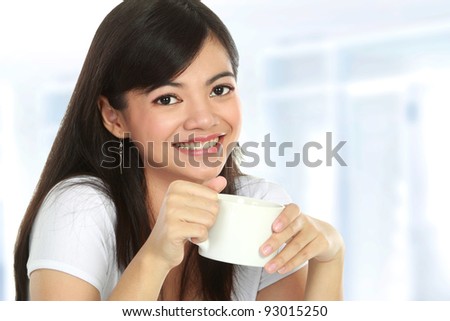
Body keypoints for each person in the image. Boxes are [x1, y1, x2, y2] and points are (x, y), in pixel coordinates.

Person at [14, 0, 344, 301]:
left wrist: (330, 257)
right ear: (114, 117)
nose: (204, 119)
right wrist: (156, 256)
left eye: (220, 89)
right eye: (167, 98)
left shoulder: (262, 205)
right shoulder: (80, 209)